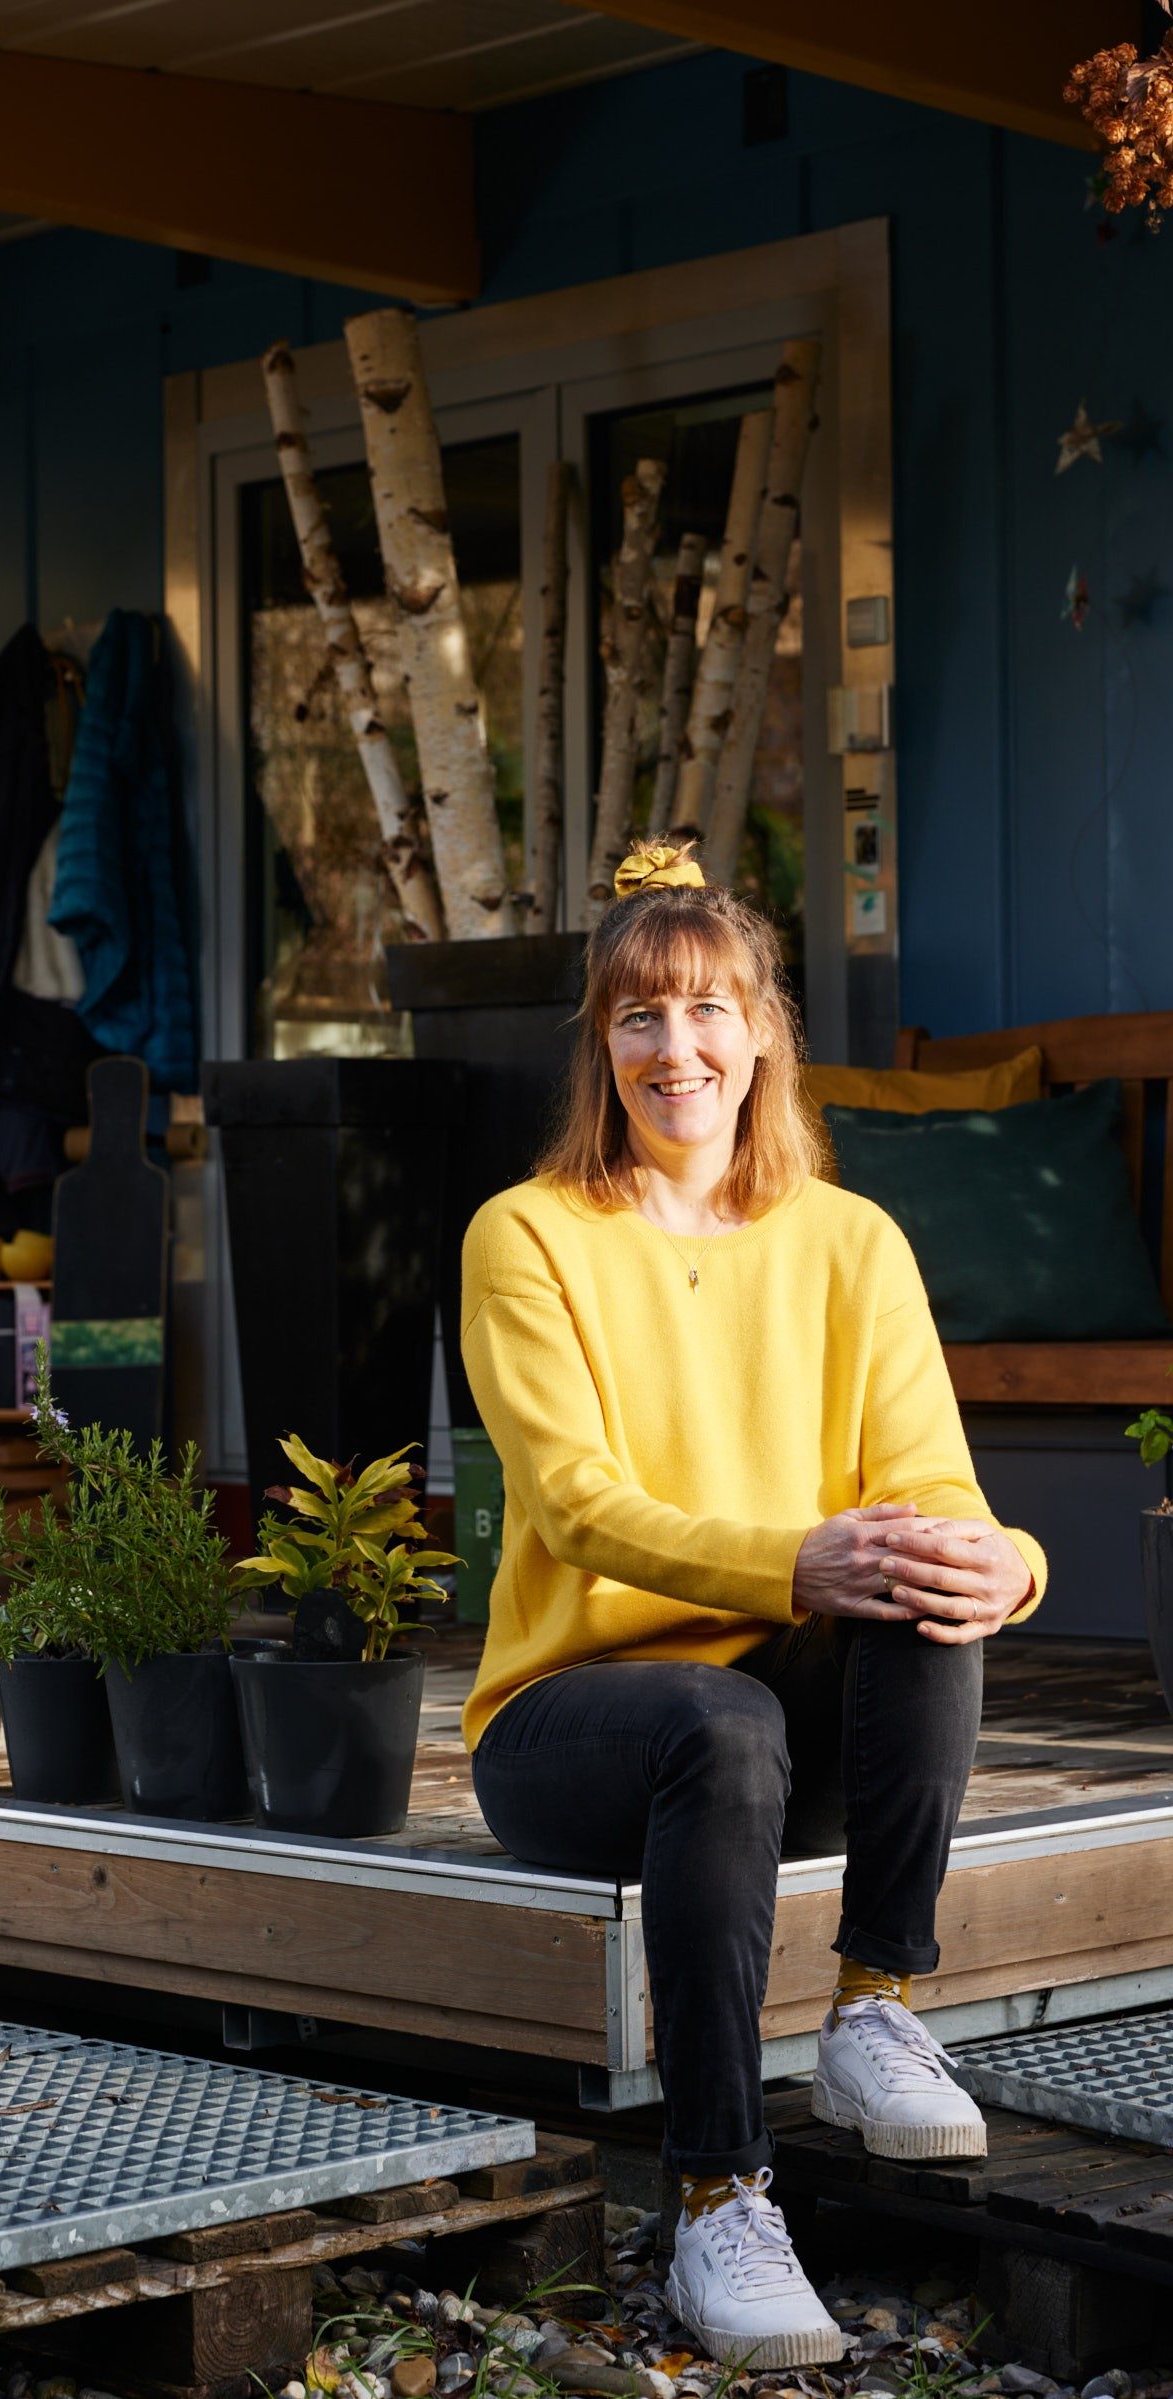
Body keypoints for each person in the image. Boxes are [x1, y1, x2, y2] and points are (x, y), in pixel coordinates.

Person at [462, 838, 1044, 2368]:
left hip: (787, 1742)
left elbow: (937, 1483)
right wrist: (793, 1562)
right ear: (604, 1045)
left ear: (765, 1036)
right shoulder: (528, 1236)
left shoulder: (851, 1241)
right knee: (715, 1715)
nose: (679, 1049)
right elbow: (578, 1503)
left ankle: (871, 2007)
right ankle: (718, 2189)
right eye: (642, 1017)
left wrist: (1011, 1563)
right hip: (569, 1730)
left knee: (921, 1578)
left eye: (711, 1010)